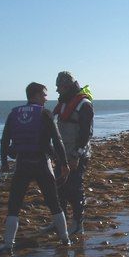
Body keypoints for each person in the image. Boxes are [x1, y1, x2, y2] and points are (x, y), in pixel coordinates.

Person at [0, 82, 71, 253]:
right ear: (37, 95)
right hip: (41, 164)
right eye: (44, 95)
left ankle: (8, 245)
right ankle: (65, 239)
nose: (46, 99)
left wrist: (4, 164)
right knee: (54, 203)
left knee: (14, 206)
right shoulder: (45, 113)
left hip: (22, 163)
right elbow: (57, 140)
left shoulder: (13, 114)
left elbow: (4, 141)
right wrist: (64, 163)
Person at [50, 71, 94, 235]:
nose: (57, 91)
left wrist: (77, 155)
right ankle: (59, 223)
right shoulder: (62, 103)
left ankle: (77, 224)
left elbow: (86, 133)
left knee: (75, 189)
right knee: (58, 189)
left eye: (59, 87)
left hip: (77, 155)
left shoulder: (84, 105)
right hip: (61, 154)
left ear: (67, 86)